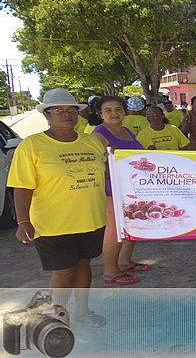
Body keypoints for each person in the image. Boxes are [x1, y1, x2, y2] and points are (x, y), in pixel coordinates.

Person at [8, 88, 108, 327]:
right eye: (58, 110)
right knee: (63, 272)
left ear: (78, 114)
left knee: (84, 265)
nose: (66, 114)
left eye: (71, 110)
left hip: (91, 218)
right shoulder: (32, 146)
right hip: (53, 223)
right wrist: (23, 222)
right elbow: (21, 187)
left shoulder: (92, 142)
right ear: (47, 115)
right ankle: (58, 319)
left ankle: (83, 312)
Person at [92, 96, 150, 285]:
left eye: (118, 109)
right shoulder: (99, 134)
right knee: (114, 229)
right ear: (100, 114)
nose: (114, 113)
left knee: (132, 224)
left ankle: (124, 262)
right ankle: (110, 271)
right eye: (108, 110)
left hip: (130, 187)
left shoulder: (126, 131)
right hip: (111, 189)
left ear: (125, 112)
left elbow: (139, 156)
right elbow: (98, 166)